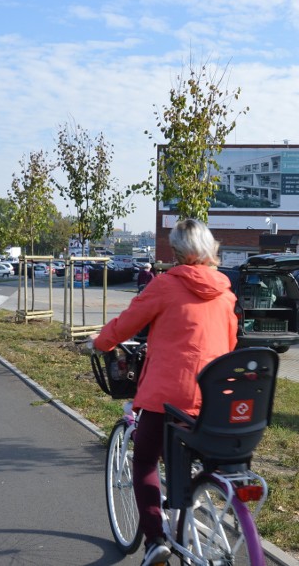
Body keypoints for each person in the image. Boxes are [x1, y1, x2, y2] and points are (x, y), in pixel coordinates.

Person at [92, 219, 238, 565]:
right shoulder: (226, 292)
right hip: (213, 400)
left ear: (175, 253)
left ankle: (156, 540)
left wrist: (100, 342)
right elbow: (230, 345)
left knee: (143, 460)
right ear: (210, 250)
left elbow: (128, 322)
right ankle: (195, 515)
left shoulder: (164, 285)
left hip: (167, 397)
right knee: (194, 462)